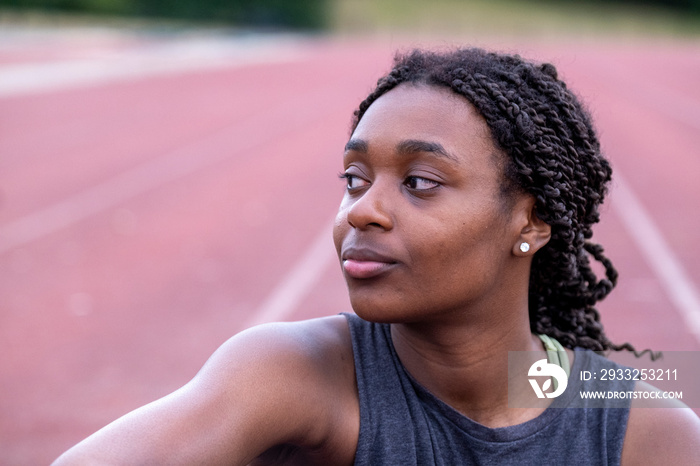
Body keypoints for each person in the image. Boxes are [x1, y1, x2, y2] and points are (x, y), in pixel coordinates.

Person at [54, 47, 699, 465]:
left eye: (419, 182)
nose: (360, 211)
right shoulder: (300, 372)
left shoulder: (639, 424)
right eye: (355, 179)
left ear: (529, 219)